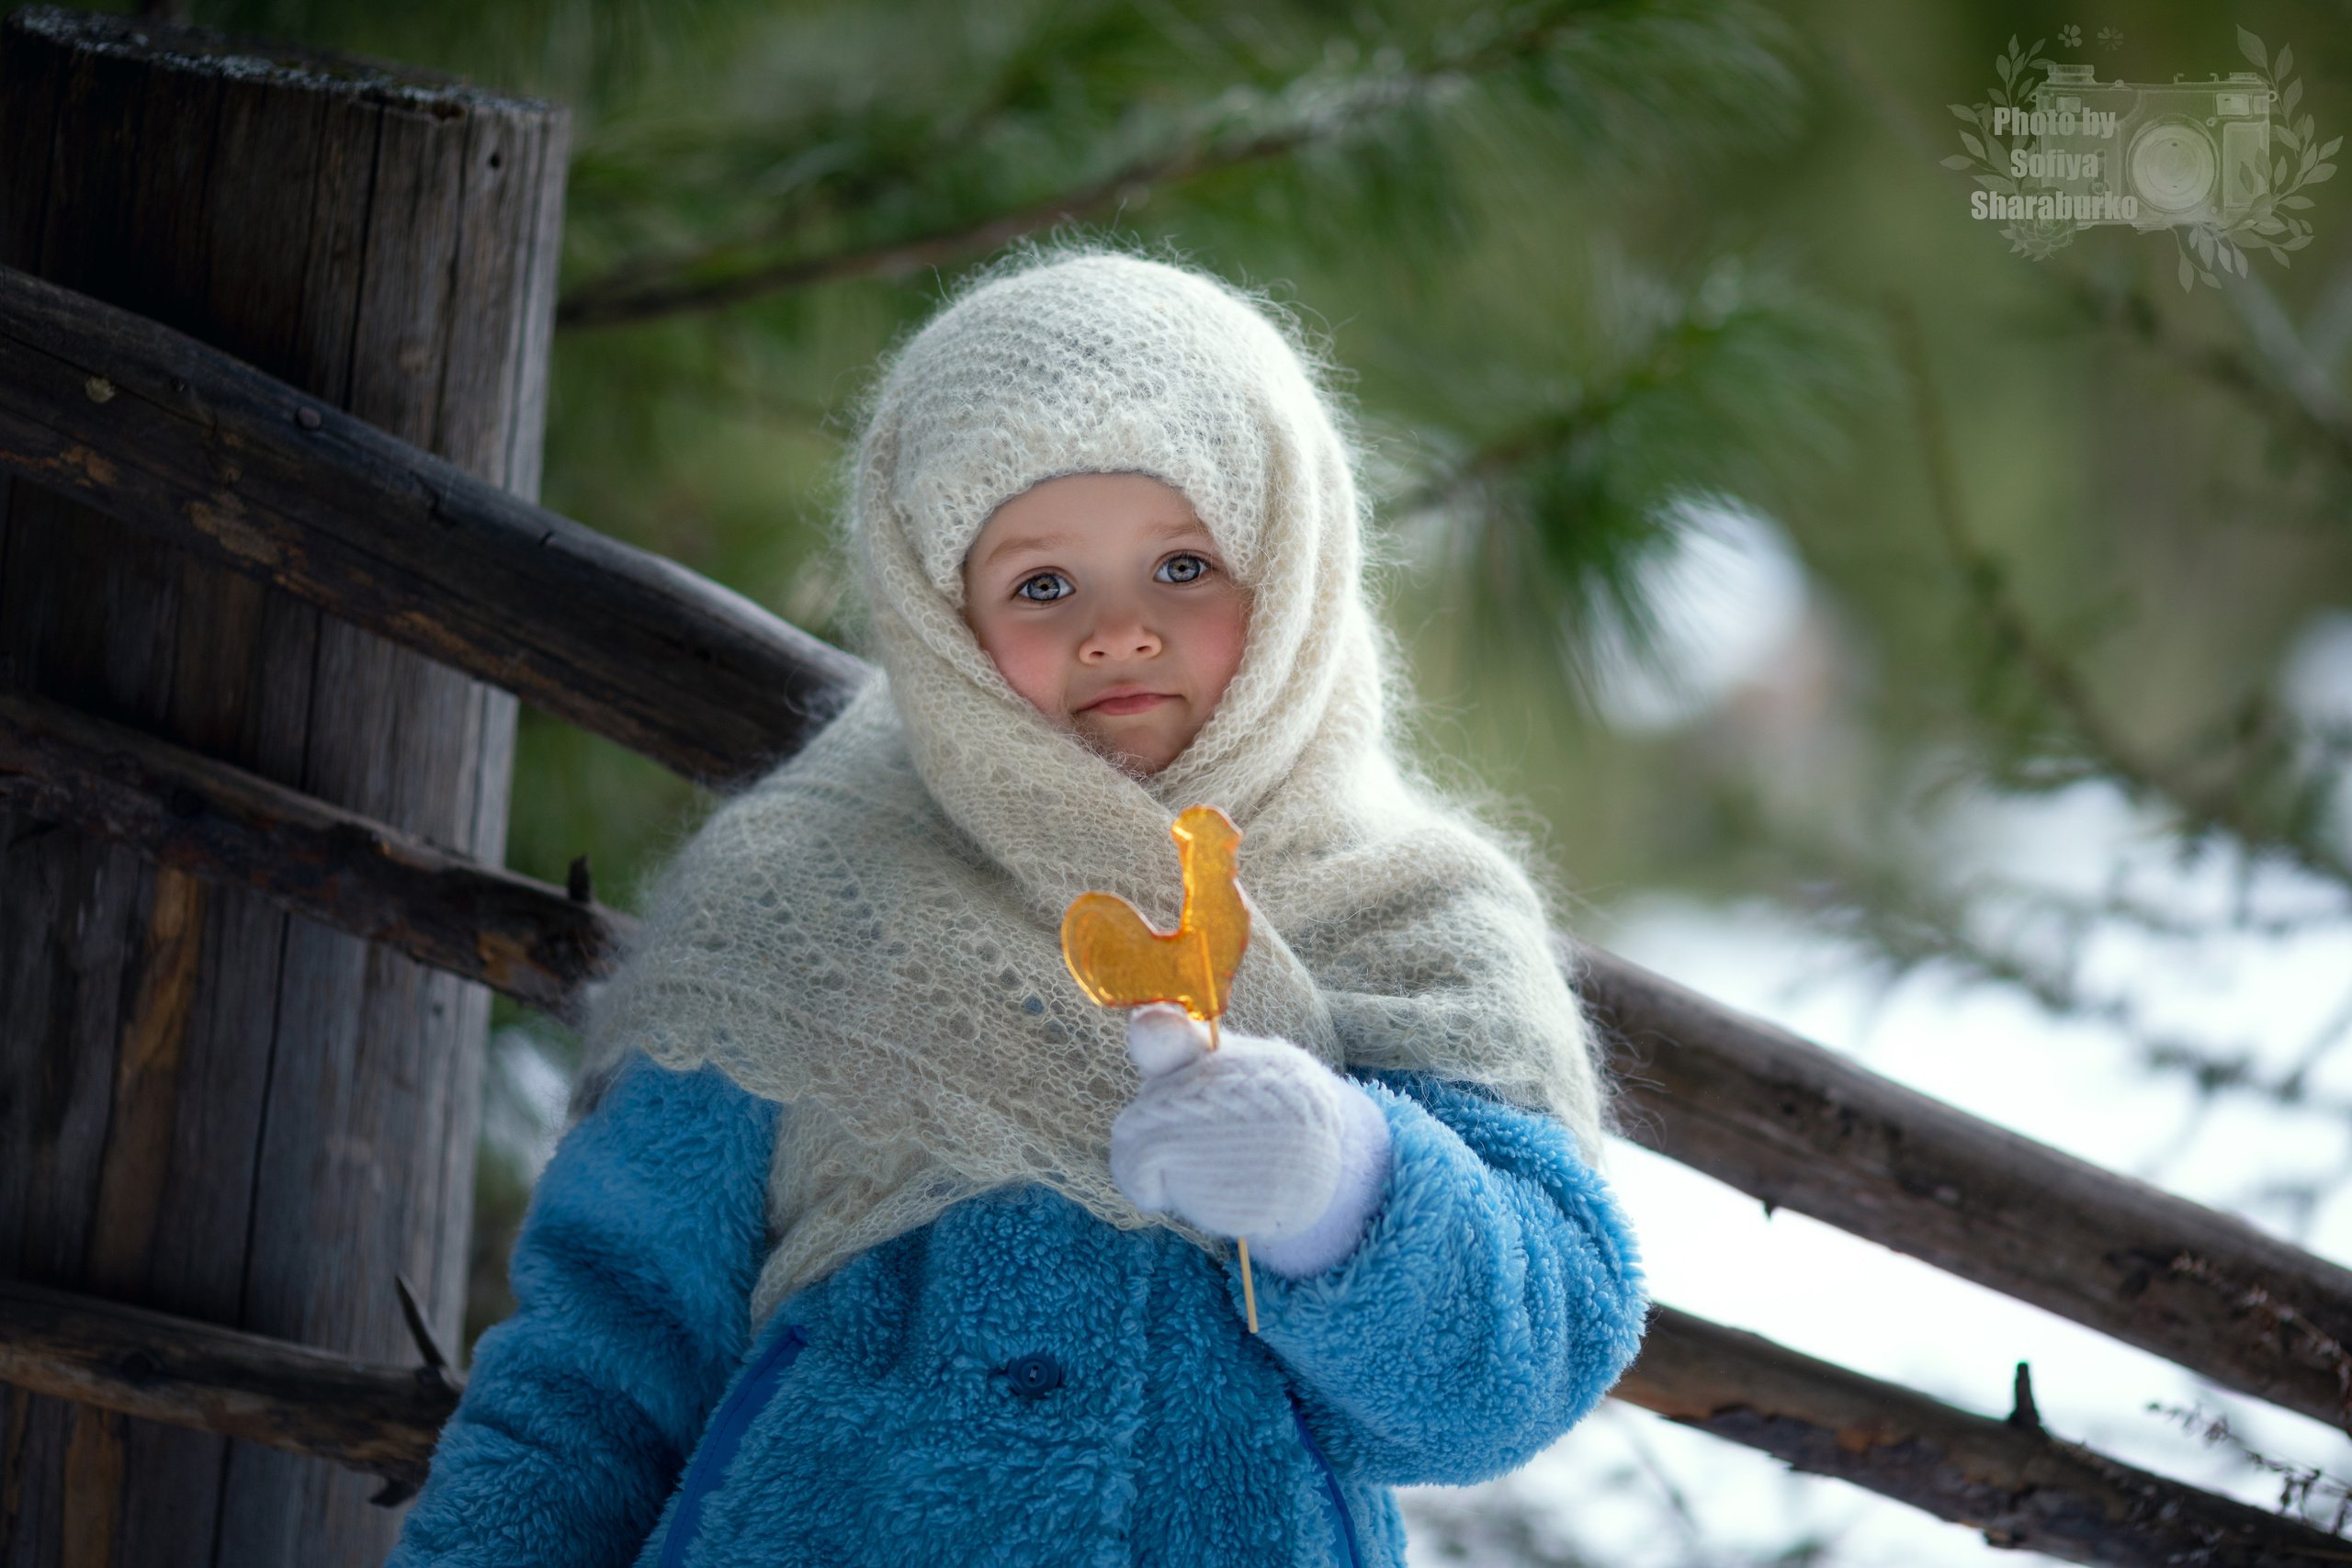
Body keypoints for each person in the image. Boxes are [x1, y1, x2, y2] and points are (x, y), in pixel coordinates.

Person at [386, 249, 1646, 1568]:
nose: (1119, 631)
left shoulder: (1413, 915)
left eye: (1183, 567)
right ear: (945, 618)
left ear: (1290, 569)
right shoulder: (807, 899)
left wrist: (1346, 1190)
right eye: (1045, 586)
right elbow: (600, 1371)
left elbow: (1521, 1367)